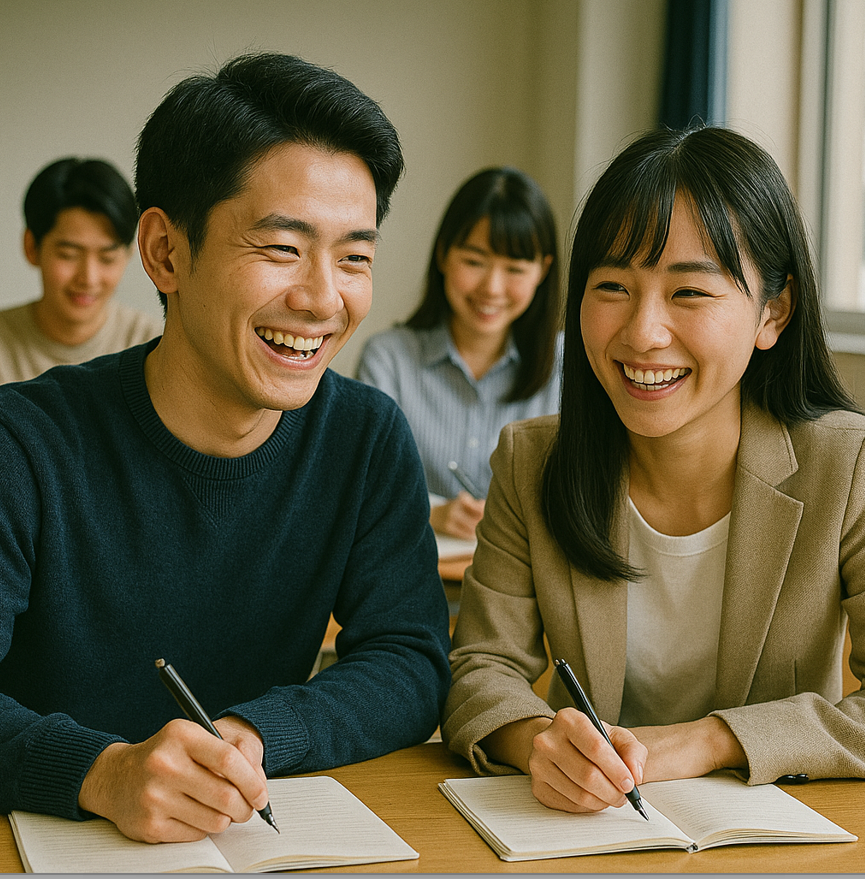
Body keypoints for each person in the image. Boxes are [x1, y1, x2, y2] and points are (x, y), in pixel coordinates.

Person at [0, 52, 450, 843]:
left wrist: (253, 734)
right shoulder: (24, 443)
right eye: (282, 248)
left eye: (354, 256)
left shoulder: (364, 437)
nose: (321, 299)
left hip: (246, 840)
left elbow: (409, 659)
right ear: (166, 253)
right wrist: (99, 770)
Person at [442, 125, 865, 815]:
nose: (642, 333)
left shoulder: (845, 465)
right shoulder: (531, 460)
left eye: (688, 293)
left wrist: (707, 740)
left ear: (773, 312)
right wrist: (542, 739)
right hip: (583, 836)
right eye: (612, 285)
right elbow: (481, 667)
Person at [357, 167, 562, 540]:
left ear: (542, 271)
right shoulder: (389, 359)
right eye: (474, 261)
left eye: (515, 268)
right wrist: (430, 513)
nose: (492, 288)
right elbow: (362, 489)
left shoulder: (569, 366)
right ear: (443, 255)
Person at [0, 157, 162, 383]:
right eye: (69, 255)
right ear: (31, 247)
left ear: (129, 254)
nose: (88, 278)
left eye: (107, 258)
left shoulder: (154, 346)